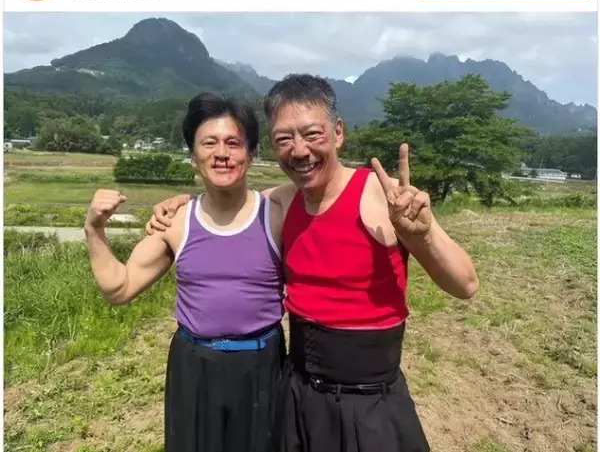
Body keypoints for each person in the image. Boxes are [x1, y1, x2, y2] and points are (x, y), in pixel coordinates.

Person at [147, 74, 480, 452]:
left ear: (338, 133)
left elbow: (465, 284)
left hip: (370, 401)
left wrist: (422, 236)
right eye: (284, 139)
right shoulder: (281, 202)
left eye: (312, 134)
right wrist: (180, 203)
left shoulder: (381, 195)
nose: (300, 151)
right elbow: (228, 202)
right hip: (297, 395)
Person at [84, 92, 286, 452]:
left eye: (233, 143)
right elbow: (119, 288)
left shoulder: (277, 215)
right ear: (193, 156)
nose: (221, 153)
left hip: (263, 365)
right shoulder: (177, 222)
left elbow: (326, 192)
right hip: (193, 367)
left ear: (252, 153)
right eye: (209, 143)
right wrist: (94, 229)